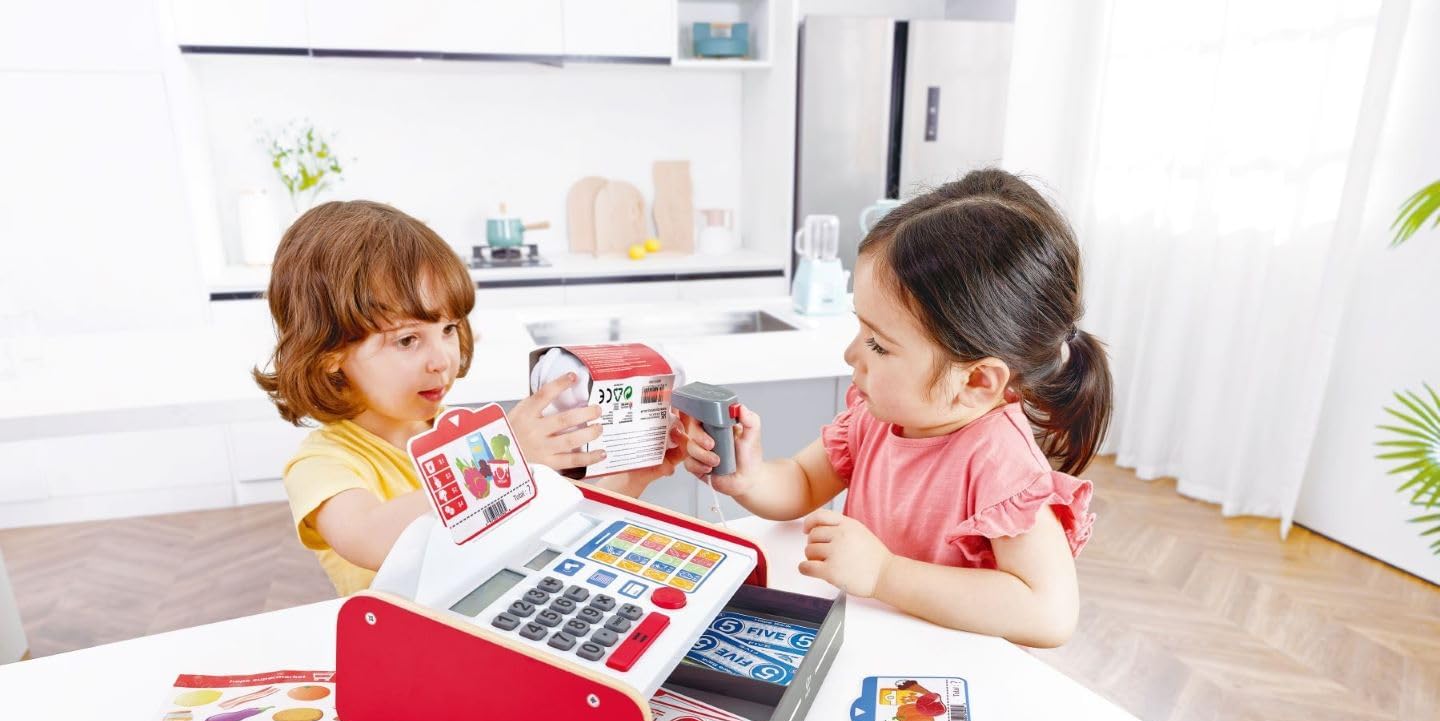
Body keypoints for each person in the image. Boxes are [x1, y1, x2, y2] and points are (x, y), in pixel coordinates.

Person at [683, 170, 1113, 647]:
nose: (851, 354)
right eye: (860, 328)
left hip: (944, 670)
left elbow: (1048, 613)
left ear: (975, 381)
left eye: (879, 345)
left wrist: (884, 573)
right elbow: (803, 482)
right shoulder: (877, 419)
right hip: (871, 646)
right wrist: (750, 478)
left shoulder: (1001, 463)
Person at [254, 200, 681, 595]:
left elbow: (549, 532)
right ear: (330, 355)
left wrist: (636, 476)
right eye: (407, 340)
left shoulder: (464, 432)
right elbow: (370, 537)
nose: (442, 359)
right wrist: (503, 458)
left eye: (448, 329)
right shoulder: (322, 464)